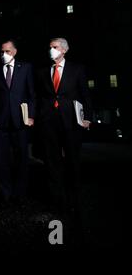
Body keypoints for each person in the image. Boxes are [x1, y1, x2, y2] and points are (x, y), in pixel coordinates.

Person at [35, 38, 91, 220]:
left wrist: (87, 117)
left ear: (64, 50)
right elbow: (39, 97)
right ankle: (56, 203)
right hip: (49, 123)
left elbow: (85, 94)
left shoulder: (77, 69)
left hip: (71, 122)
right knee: (52, 163)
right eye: (50, 47)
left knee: (73, 162)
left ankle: (75, 202)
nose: (51, 50)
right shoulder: (43, 72)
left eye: (55, 47)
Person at [0, 40, 35, 204]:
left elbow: (31, 94)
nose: (3, 54)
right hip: (1, 122)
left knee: (22, 158)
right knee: (2, 159)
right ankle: (4, 192)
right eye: (1, 51)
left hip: (21, 121)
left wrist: (31, 116)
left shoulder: (26, 68)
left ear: (14, 51)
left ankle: (20, 193)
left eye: (6, 51)